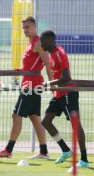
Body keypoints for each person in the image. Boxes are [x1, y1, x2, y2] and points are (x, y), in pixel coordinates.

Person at [0, 16, 53, 159]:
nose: (25, 30)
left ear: (35, 27)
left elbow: (48, 64)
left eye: (28, 27)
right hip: (30, 84)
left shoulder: (37, 43)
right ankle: (44, 151)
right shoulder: (30, 44)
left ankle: (8, 150)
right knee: (35, 118)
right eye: (23, 27)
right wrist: (20, 70)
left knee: (16, 115)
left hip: (31, 86)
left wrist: (53, 84)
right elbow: (30, 66)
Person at [40, 30, 90, 167]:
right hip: (59, 94)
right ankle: (65, 149)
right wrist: (53, 87)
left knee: (75, 125)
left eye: (42, 41)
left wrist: (48, 84)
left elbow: (66, 77)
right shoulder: (52, 54)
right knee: (46, 122)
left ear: (50, 40)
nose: (41, 43)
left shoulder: (59, 53)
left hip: (68, 93)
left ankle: (84, 159)